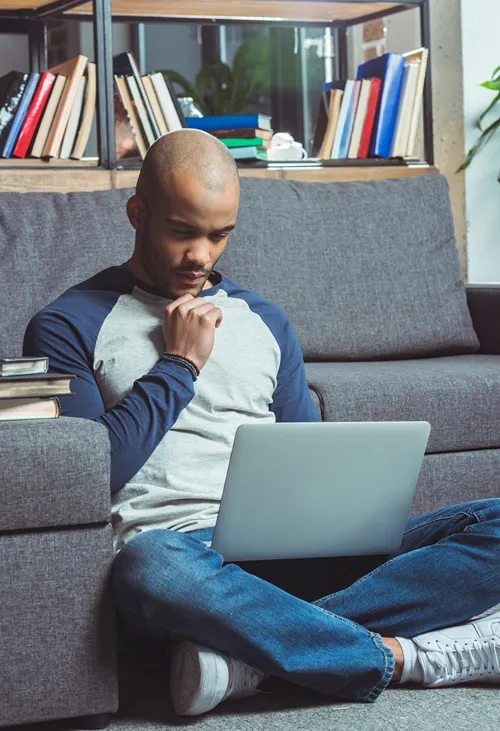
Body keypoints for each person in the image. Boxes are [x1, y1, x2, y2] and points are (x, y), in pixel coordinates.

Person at [24, 130, 500, 718]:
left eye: (219, 235)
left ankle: (247, 659)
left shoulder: (265, 320)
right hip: (181, 565)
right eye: (182, 231)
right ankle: (408, 658)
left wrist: (337, 520)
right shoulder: (67, 323)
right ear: (137, 213)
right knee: (148, 567)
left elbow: (303, 456)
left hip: (283, 555)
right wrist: (178, 365)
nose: (201, 255)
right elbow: (85, 475)